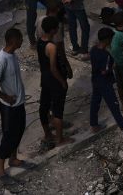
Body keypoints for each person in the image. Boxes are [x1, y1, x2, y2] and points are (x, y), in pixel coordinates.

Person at [0, 27, 27, 178]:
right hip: (9, 106)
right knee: (9, 135)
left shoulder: (12, 55)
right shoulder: (2, 59)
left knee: (19, 130)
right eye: (20, 39)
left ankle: (13, 158)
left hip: (18, 103)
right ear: (13, 40)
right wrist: (5, 97)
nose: (22, 41)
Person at [37, 16, 72, 148]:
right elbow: (53, 67)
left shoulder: (40, 41)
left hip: (44, 79)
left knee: (44, 107)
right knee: (58, 110)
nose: (58, 30)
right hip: (54, 80)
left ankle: (48, 134)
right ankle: (60, 139)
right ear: (52, 30)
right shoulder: (52, 47)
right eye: (56, 28)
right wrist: (62, 81)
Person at [88, 29, 123, 134]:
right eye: (111, 39)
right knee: (114, 105)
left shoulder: (93, 49)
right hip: (105, 82)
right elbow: (105, 71)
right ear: (107, 39)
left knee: (95, 102)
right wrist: (112, 67)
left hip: (95, 79)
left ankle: (94, 125)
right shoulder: (106, 55)